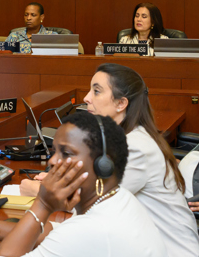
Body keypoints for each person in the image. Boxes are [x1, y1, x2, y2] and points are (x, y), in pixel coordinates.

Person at [20, 63, 199, 255]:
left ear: (121, 103)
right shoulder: (125, 138)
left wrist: (40, 190)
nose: (86, 98)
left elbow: (93, 203)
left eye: (96, 91)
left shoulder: (135, 147)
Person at [0, 112, 166, 257]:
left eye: (66, 153)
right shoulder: (119, 199)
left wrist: (42, 204)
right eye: (54, 152)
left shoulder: (91, 229)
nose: (52, 161)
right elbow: (52, 232)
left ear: (103, 164)